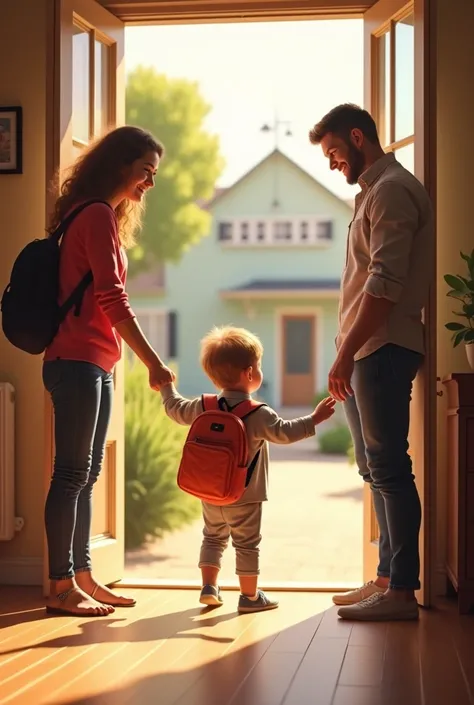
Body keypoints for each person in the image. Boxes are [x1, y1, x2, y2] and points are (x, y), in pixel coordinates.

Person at [43, 126, 175, 617]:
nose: (150, 183)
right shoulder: (95, 214)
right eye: (146, 171)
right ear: (121, 165)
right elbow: (111, 296)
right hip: (76, 360)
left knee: (86, 473)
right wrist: (154, 362)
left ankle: (82, 577)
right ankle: (60, 586)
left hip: (94, 360)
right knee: (71, 474)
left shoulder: (100, 216)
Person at [309, 104, 433, 621]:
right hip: (364, 349)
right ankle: (385, 579)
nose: (333, 163)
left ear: (358, 138)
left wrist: (341, 354)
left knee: (389, 467)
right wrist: (346, 352)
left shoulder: (392, 191)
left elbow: (383, 286)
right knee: (373, 468)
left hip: (382, 346)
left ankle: (402, 592)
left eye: (335, 152)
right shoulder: (370, 196)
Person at [160, 325, 336, 613]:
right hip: (246, 495)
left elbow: (174, 408)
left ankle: (209, 587)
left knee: (212, 537)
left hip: (210, 491)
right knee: (247, 544)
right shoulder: (258, 413)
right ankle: (250, 597)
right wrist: (315, 418)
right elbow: (286, 433)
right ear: (250, 373)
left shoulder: (203, 406)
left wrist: (166, 385)